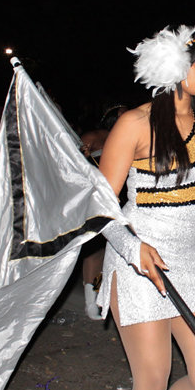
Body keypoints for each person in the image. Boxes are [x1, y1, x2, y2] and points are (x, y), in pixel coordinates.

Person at [96, 25, 195, 390]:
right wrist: (132, 248)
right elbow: (98, 206)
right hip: (137, 258)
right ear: (171, 66)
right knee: (151, 380)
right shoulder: (134, 123)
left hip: (188, 259)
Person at [78, 103, 128, 320]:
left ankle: (110, 296)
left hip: (124, 199)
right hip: (97, 198)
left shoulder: (131, 137)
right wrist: (83, 157)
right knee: (95, 248)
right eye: (124, 115)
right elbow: (70, 166)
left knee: (119, 250)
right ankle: (90, 301)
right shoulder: (93, 136)